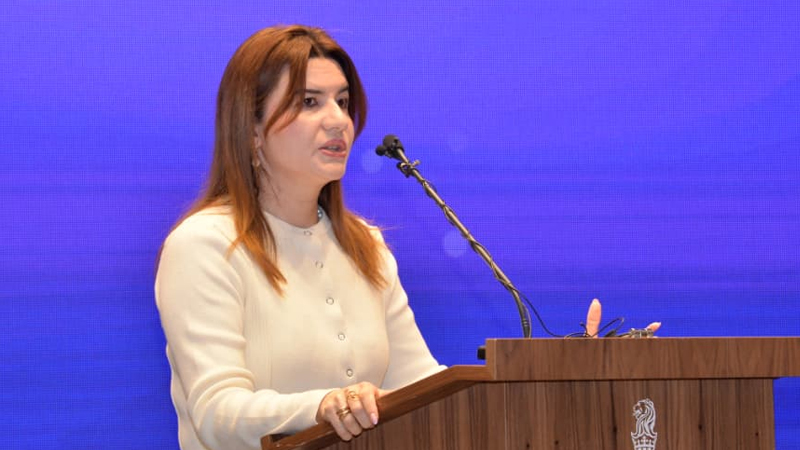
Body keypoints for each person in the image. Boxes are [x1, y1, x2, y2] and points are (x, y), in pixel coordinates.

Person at [155, 25, 445, 450]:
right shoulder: (205, 245)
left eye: (342, 102)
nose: (338, 120)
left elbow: (420, 387)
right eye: (310, 102)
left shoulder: (366, 246)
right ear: (252, 129)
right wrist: (322, 406)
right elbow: (217, 412)